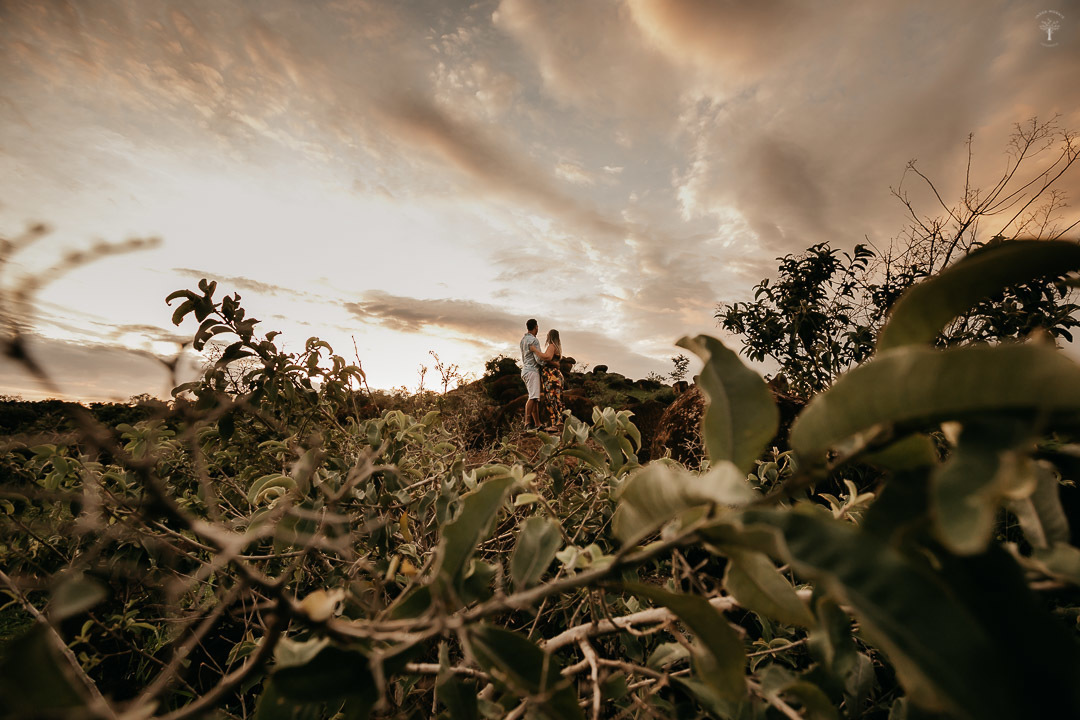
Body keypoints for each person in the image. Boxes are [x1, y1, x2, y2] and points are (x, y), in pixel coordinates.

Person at [535, 329, 564, 431]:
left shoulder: (551, 346)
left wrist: (535, 351)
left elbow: (547, 357)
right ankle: (558, 422)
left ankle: (555, 424)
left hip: (551, 376)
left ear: (550, 336)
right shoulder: (557, 348)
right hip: (555, 375)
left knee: (551, 399)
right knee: (557, 399)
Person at [519, 319, 544, 431]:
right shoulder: (534, 340)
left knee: (535, 398)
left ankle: (538, 424)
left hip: (525, 370)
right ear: (536, 327)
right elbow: (538, 359)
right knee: (533, 397)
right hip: (532, 370)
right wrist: (548, 363)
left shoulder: (523, 340)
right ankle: (527, 423)